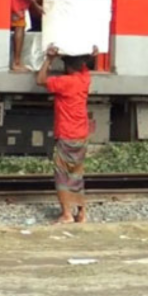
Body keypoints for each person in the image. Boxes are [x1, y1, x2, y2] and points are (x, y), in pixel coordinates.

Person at [36, 44, 96, 224]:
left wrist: (49, 59)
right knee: (76, 173)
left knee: (62, 174)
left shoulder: (65, 82)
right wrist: (89, 56)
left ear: (68, 67)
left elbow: (40, 80)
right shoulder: (84, 79)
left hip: (67, 133)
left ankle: (67, 215)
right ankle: (81, 213)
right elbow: (81, 65)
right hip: (81, 134)